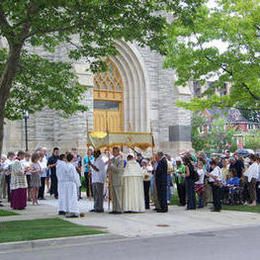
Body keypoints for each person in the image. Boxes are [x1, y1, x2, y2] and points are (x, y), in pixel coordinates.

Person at [57, 153, 81, 217]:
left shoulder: (63, 165)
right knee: (72, 197)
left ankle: (65, 208)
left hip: (64, 183)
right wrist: (78, 183)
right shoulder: (71, 166)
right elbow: (74, 176)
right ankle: (73, 210)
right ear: (72, 159)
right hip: (71, 183)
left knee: (65, 197)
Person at [107, 147, 124, 214]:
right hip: (112, 179)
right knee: (113, 196)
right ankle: (114, 209)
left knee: (118, 195)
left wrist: (111, 165)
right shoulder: (112, 159)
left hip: (118, 179)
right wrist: (108, 165)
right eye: (113, 151)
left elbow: (118, 170)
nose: (113, 153)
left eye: (115, 151)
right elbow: (109, 169)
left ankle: (119, 209)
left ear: (118, 152)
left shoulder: (121, 160)